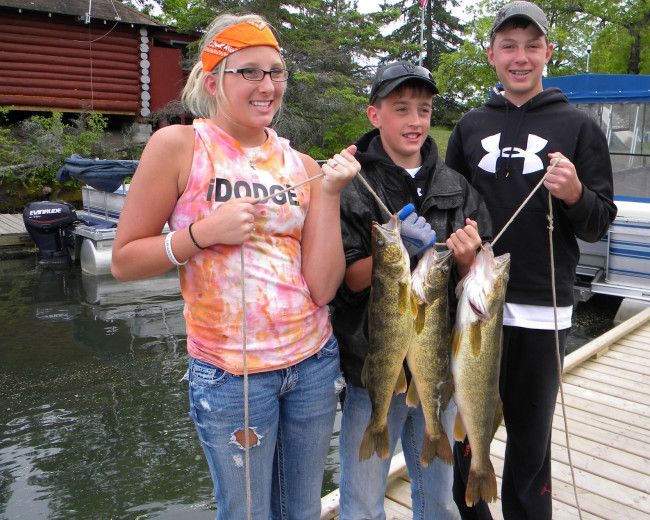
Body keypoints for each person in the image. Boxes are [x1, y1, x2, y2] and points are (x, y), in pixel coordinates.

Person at [110, 13, 360, 520]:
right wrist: (201, 234)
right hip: (231, 377)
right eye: (249, 71)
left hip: (312, 365)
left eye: (276, 71)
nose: (267, 85)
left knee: (302, 512)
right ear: (213, 79)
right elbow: (123, 260)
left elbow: (323, 288)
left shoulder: (303, 166)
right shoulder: (180, 147)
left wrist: (329, 195)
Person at [445, 2, 617, 519]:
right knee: (467, 441)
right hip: (475, 308)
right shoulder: (469, 127)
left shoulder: (580, 127)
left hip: (543, 312)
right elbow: (447, 208)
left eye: (532, 45)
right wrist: (458, 249)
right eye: (509, 46)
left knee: (529, 451)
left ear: (547, 51)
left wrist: (574, 193)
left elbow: (599, 220)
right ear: (493, 54)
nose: (521, 57)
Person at [331, 60, 493, 520]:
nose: (415, 121)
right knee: (361, 503)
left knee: (439, 500)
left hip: (435, 368)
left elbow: (480, 287)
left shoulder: (456, 187)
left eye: (423, 110)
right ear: (374, 115)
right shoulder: (351, 185)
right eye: (401, 109)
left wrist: (467, 260)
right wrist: (394, 248)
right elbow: (345, 282)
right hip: (372, 369)